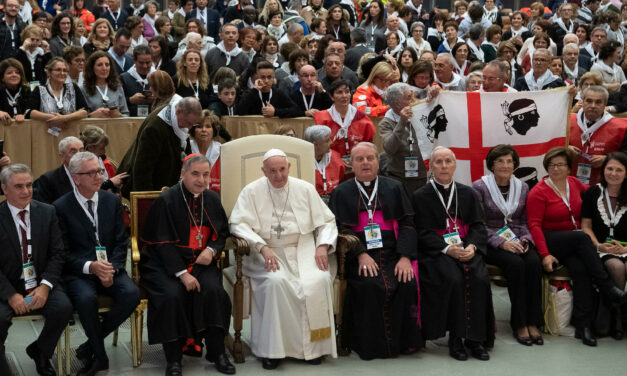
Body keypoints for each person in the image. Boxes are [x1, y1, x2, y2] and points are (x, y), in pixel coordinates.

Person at [229, 148, 338, 370]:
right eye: (272, 171)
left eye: (282, 170)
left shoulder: (304, 189)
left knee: (317, 281)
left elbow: (327, 221)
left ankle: (313, 348)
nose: (278, 176)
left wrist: (322, 246)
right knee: (276, 283)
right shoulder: (252, 191)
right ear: (263, 171)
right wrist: (262, 247)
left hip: (304, 248)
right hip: (266, 253)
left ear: (288, 167)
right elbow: (237, 223)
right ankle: (272, 351)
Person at [140, 154, 234, 376]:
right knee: (172, 295)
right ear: (183, 174)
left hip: (201, 261)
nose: (201, 180)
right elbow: (160, 243)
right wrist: (182, 274)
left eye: (205, 174)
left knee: (214, 291)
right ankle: (173, 359)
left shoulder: (211, 198)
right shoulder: (167, 200)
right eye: (195, 174)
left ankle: (217, 352)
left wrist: (211, 250)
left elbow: (221, 232)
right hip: (165, 264)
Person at [328, 142, 422, 359]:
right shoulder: (341, 192)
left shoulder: (395, 187)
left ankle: (403, 343)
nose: (366, 163)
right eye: (359, 159)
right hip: (358, 253)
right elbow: (340, 229)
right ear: (351, 164)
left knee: (405, 282)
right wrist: (360, 254)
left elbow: (407, 224)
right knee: (370, 285)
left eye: (370, 158)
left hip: (392, 252)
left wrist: (405, 257)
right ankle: (371, 346)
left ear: (378, 162)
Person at [526, 147, 627, 346]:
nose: (555, 169)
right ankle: (608, 287)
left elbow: (595, 197)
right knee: (582, 237)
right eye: (552, 165)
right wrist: (545, 254)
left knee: (581, 271)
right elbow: (534, 226)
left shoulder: (574, 184)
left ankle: (584, 325)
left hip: (574, 244)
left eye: (561, 165)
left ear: (569, 168)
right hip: (550, 240)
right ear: (546, 167)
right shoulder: (538, 191)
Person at [53, 151, 140, 375]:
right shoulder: (61, 207)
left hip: (111, 266)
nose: (98, 177)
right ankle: (100, 358)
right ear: (76, 178)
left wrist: (114, 267)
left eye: (99, 171)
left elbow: (121, 241)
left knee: (131, 294)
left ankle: (90, 344)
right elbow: (62, 253)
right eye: (91, 173)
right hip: (79, 271)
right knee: (86, 298)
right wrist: (90, 266)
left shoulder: (111, 201)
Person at [413, 146, 494, 361]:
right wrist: (447, 248)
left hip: (466, 248)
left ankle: (475, 340)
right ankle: (456, 338)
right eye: (438, 162)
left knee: (478, 278)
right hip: (437, 252)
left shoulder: (467, 193)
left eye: (448, 161)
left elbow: (478, 226)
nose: (444, 166)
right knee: (453, 279)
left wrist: (472, 247)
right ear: (431, 167)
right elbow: (420, 232)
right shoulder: (420, 196)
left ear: (455, 165)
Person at [0, 164, 73, 376]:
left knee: (63, 308)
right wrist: (11, 295)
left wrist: (45, 286)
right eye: (19, 186)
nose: (26, 191)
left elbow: (59, 253)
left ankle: (41, 352)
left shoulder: (47, 212)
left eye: (29, 185)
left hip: (40, 281)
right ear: (5, 189)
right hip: (7, 285)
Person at [472, 145, 543, 346]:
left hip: (518, 239)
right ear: (492, 165)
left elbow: (525, 221)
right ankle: (520, 324)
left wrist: (525, 239)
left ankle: (533, 321)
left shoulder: (523, 187)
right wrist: (502, 243)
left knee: (533, 262)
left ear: (515, 164)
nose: (505, 165)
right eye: (500, 161)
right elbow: (478, 224)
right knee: (516, 265)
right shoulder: (479, 187)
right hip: (492, 243)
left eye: (509, 161)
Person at [118, 96, 202, 198]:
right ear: (179, 112)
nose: (189, 128)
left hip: (166, 187)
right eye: (188, 123)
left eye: (192, 124)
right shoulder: (154, 128)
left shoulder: (179, 118)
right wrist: (147, 200)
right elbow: (143, 170)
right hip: (149, 189)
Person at [568, 85, 627, 186]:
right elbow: (551, 146)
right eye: (589, 101)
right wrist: (565, 147)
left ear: (605, 104)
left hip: (604, 185)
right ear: (582, 101)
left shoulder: (622, 127)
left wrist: (608, 159)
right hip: (569, 182)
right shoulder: (566, 121)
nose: (593, 105)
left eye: (598, 102)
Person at [379, 82, 427, 194]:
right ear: (398, 103)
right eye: (409, 98)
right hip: (398, 177)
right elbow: (390, 148)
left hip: (422, 175)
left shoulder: (419, 115)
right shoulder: (386, 123)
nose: (413, 101)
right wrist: (402, 122)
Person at [313, 80, 376, 159]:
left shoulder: (361, 118)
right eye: (339, 92)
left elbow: (369, 146)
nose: (344, 96)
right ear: (332, 97)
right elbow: (319, 148)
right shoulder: (322, 118)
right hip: (331, 163)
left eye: (347, 92)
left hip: (356, 163)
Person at [26, 57, 89, 128]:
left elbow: (84, 111)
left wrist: (64, 118)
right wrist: (53, 118)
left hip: (70, 134)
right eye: (58, 70)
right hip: (44, 134)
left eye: (65, 70)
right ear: (49, 72)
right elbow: (30, 112)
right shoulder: (40, 90)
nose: (62, 73)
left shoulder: (73, 88)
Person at [236, 60, 302, 118]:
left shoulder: (278, 93)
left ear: (273, 78)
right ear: (257, 77)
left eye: (269, 77)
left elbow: (296, 110)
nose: (266, 80)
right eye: (263, 77)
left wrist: (275, 112)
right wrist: (254, 90)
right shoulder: (250, 93)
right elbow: (240, 111)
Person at [33, 136, 83, 204]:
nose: (79, 155)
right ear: (62, 155)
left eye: (81, 150)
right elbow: (46, 210)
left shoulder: (91, 175)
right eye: (73, 151)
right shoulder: (48, 180)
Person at [79, 125, 129, 192]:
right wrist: (110, 183)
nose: (104, 152)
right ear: (90, 147)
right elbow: (88, 191)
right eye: (101, 148)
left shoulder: (101, 158)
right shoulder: (80, 165)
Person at [81, 51, 129, 118]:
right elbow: (79, 118)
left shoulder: (117, 87)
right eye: (99, 65)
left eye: (107, 65)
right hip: (93, 127)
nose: (104, 68)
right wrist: (91, 116)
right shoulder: (83, 89)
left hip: (115, 127)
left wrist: (119, 116)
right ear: (92, 68)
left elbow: (126, 114)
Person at [303, 125, 345, 200]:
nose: (331, 142)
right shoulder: (302, 162)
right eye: (327, 141)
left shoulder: (336, 159)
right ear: (315, 144)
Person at [188, 110, 222, 194]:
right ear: (193, 130)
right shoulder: (186, 148)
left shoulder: (222, 151)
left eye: (208, 126)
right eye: (199, 126)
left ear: (213, 130)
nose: (204, 130)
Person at [120, 45, 154, 117]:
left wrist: (156, 98)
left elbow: (167, 100)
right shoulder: (124, 78)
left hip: (152, 119)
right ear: (134, 61)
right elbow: (118, 101)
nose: (145, 66)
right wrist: (130, 100)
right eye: (141, 63)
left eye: (148, 63)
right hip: (131, 120)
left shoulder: (158, 77)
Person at [0, 58, 32, 124]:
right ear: (2, 77)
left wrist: (24, 115)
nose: (14, 75)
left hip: (23, 129)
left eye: (17, 72)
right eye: (9, 73)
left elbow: (31, 108)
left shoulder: (26, 90)